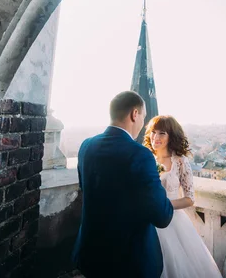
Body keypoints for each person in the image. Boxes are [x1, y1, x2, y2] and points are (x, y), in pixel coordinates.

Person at [72, 91, 174, 278]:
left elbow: (86, 190)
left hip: (90, 252)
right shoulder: (140, 155)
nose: (142, 123)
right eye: (143, 116)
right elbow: (162, 216)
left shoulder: (86, 146)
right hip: (128, 261)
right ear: (135, 114)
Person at [144, 115, 223, 278]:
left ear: (171, 136)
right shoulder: (146, 159)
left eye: (162, 133)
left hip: (172, 222)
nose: (155, 137)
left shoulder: (180, 161)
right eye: (153, 132)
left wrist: (164, 205)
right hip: (148, 221)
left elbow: (189, 198)